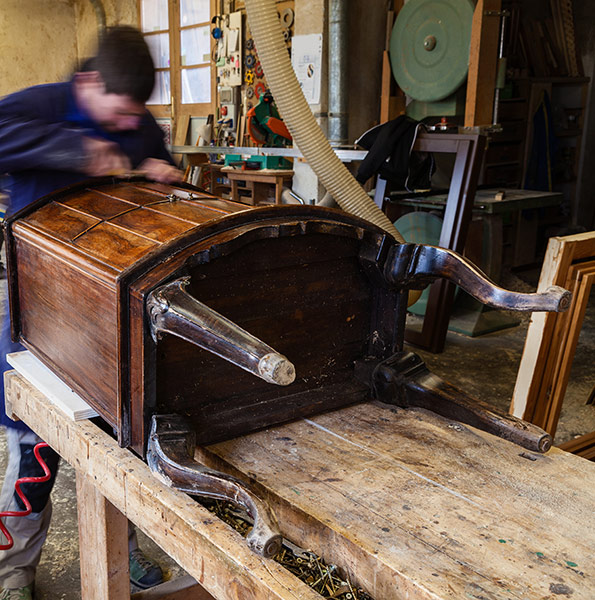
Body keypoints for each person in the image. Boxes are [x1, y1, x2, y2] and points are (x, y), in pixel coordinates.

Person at [0, 26, 182, 599]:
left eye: (138, 116)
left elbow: (160, 175)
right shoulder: (38, 107)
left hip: (110, 309)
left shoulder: (135, 122)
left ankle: (121, 559)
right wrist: (76, 152)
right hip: (39, 310)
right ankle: (13, 570)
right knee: (35, 448)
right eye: (120, 113)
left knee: (119, 441)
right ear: (87, 83)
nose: (132, 126)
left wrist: (160, 175)